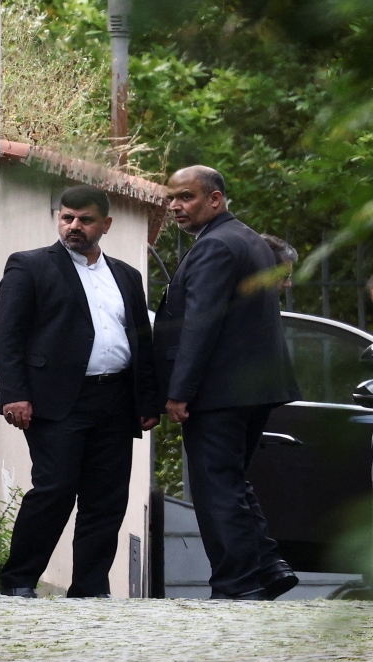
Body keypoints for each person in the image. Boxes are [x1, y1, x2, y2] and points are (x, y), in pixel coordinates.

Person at [0, 185, 159, 599]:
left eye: (84, 220)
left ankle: (89, 587)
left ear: (106, 224)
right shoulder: (29, 266)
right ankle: (18, 580)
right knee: (55, 488)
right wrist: (15, 393)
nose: (74, 226)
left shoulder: (126, 275)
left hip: (116, 399)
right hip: (56, 400)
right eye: (67, 217)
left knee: (107, 498)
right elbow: (7, 336)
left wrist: (148, 399)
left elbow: (141, 341)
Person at [153, 165, 301, 601]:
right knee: (230, 481)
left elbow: (201, 324)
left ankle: (237, 585)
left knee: (215, 487)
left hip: (221, 391)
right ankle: (267, 566)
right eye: (172, 199)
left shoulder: (216, 245)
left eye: (186, 198)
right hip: (249, 388)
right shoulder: (247, 239)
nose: (176, 207)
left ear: (214, 199)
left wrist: (180, 391)